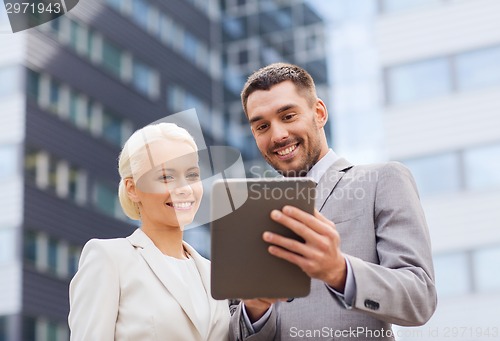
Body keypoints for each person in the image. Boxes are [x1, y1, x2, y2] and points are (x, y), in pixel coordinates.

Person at [229, 63, 437, 341]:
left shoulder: (381, 181)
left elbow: (419, 298)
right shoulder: (247, 217)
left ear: (319, 113)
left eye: (288, 116)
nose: (277, 135)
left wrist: (340, 271)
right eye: (262, 126)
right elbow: (233, 332)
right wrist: (255, 309)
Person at [68, 123, 230, 341]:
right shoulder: (110, 259)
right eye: (166, 177)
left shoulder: (215, 274)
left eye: (192, 175)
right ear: (133, 189)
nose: (185, 188)